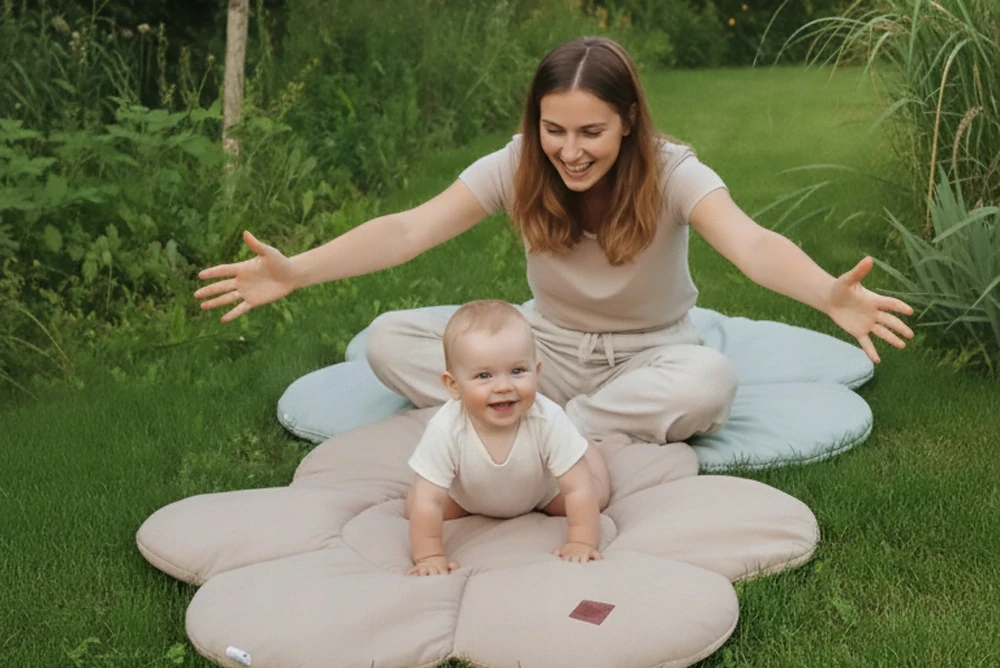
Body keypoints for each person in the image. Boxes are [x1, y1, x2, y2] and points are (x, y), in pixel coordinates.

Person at [195, 36, 914, 445]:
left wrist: (826, 293)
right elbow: (410, 228)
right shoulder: (518, 163)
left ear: (629, 120)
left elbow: (752, 246)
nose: (570, 151)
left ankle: (544, 430)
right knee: (388, 338)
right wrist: (297, 271)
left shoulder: (672, 172)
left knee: (710, 385)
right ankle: (548, 419)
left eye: (591, 132)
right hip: (543, 351)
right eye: (555, 129)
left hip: (653, 355)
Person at [405, 299, 611, 576]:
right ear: (453, 386)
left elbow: (576, 489)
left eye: (517, 371)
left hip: (540, 492)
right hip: (468, 498)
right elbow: (428, 501)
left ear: (536, 372)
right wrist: (429, 556)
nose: (503, 387)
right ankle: (431, 479)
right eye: (484, 376)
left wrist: (581, 542)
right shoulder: (446, 428)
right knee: (419, 506)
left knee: (594, 494)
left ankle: (585, 451)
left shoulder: (547, 418)